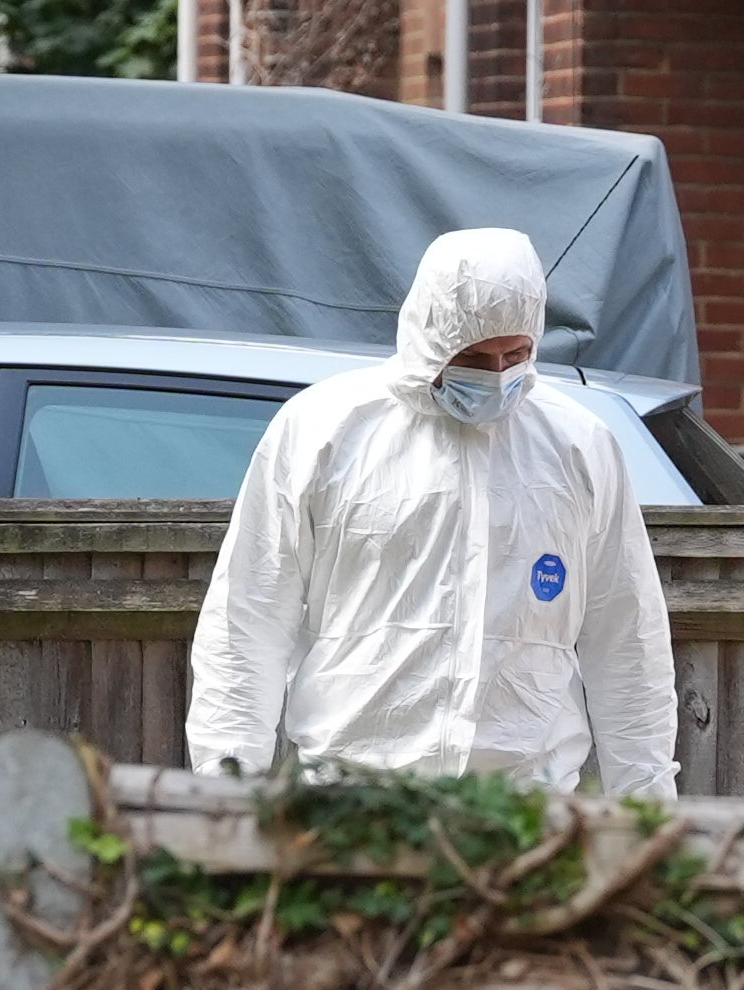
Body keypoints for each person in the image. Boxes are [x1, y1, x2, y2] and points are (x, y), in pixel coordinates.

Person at [185, 228, 678, 798]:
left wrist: (647, 805)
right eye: (472, 357)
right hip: (355, 798)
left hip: (522, 808)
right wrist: (225, 788)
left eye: (515, 354)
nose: (497, 375)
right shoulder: (324, 430)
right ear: (430, 337)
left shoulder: (577, 446)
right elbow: (247, 617)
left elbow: (627, 635)